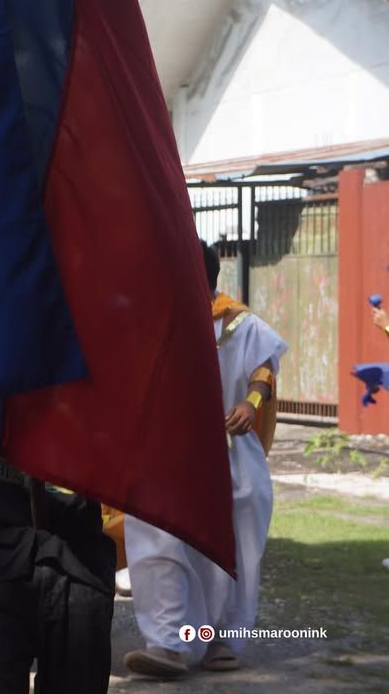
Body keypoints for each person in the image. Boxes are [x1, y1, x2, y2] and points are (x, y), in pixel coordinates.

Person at [123, 240, 286, 677]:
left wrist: (251, 404)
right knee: (158, 541)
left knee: (229, 550)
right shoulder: (152, 320)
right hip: (166, 454)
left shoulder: (240, 323)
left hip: (230, 456)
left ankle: (219, 641)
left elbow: (264, 369)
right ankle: (167, 644)